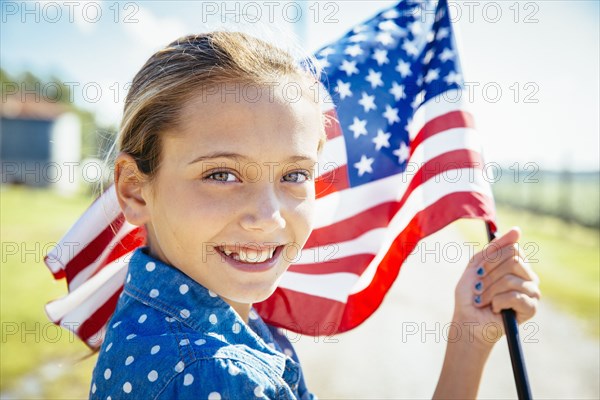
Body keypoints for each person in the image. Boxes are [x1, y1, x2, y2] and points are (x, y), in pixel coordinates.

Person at [89, 32, 540, 399]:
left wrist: (470, 338)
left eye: (294, 174)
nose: (267, 216)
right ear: (134, 189)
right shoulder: (214, 374)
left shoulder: (202, 319)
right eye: (222, 174)